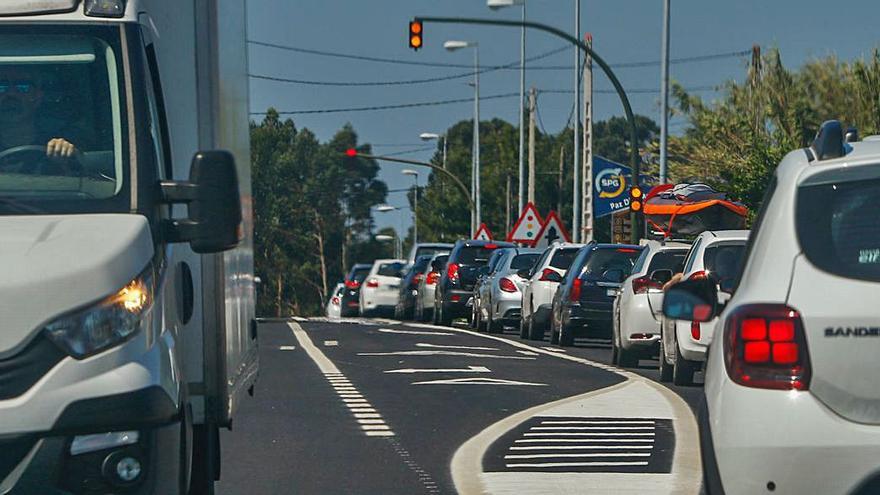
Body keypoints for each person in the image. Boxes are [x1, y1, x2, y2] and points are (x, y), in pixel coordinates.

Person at [0, 66, 79, 169]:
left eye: (23, 87)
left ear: (38, 97)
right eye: (1, 87)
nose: (11, 94)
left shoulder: (67, 141)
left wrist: (68, 156)